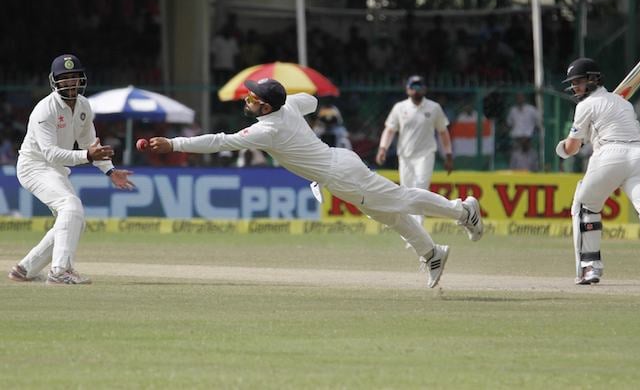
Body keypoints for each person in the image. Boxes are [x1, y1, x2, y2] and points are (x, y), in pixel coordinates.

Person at [145, 78, 483, 288]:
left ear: (265, 105)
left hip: (338, 173)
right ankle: (432, 253)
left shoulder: (267, 129)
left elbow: (220, 141)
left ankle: (463, 211)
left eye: (251, 99)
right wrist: (290, 99)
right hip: (338, 165)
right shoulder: (289, 104)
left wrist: (174, 143)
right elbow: (312, 101)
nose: (246, 102)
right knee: (388, 214)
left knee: (401, 200)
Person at [556, 57, 640, 287]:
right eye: (574, 83)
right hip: (638, 156)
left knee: (585, 205)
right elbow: (639, 137)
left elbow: (571, 148)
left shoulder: (585, 105)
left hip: (610, 155)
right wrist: (592, 135)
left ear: (593, 79)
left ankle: (589, 268)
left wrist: (562, 148)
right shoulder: (624, 104)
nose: (575, 87)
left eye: (579, 81)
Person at [7, 54, 134, 285]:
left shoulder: (84, 105)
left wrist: (110, 171)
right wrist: (87, 156)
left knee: (74, 220)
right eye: (65, 78)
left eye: (74, 77)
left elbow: (90, 143)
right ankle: (60, 271)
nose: (71, 82)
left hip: (55, 168)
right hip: (34, 167)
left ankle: (25, 269)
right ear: (55, 81)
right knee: (70, 206)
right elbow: (51, 153)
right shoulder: (44, 110)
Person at [375, 75, 453, 227]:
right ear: (407, 89)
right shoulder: (400, 108)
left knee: (420, 188)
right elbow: (390, 130)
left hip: (425, 155)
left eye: (419, 87)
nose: (416, 90)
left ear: (425, 89)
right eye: (413, 87)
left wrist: (448, 154)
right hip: (405, 156)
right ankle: (410, 230)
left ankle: (419, 228)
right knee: (407, 192)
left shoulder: (434, 107)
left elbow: (443, 132)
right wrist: (382, 148)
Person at [506, 92, 541, 169]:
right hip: (516, 138)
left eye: (521, 98)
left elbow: (538, 122)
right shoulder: (513, 110)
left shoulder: (531, 109)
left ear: (524, 98)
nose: (519, 100)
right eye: (518, 98)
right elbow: (509, 124)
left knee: (530, 154)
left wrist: (533, 132)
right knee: (516, 155)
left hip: (528, 137)